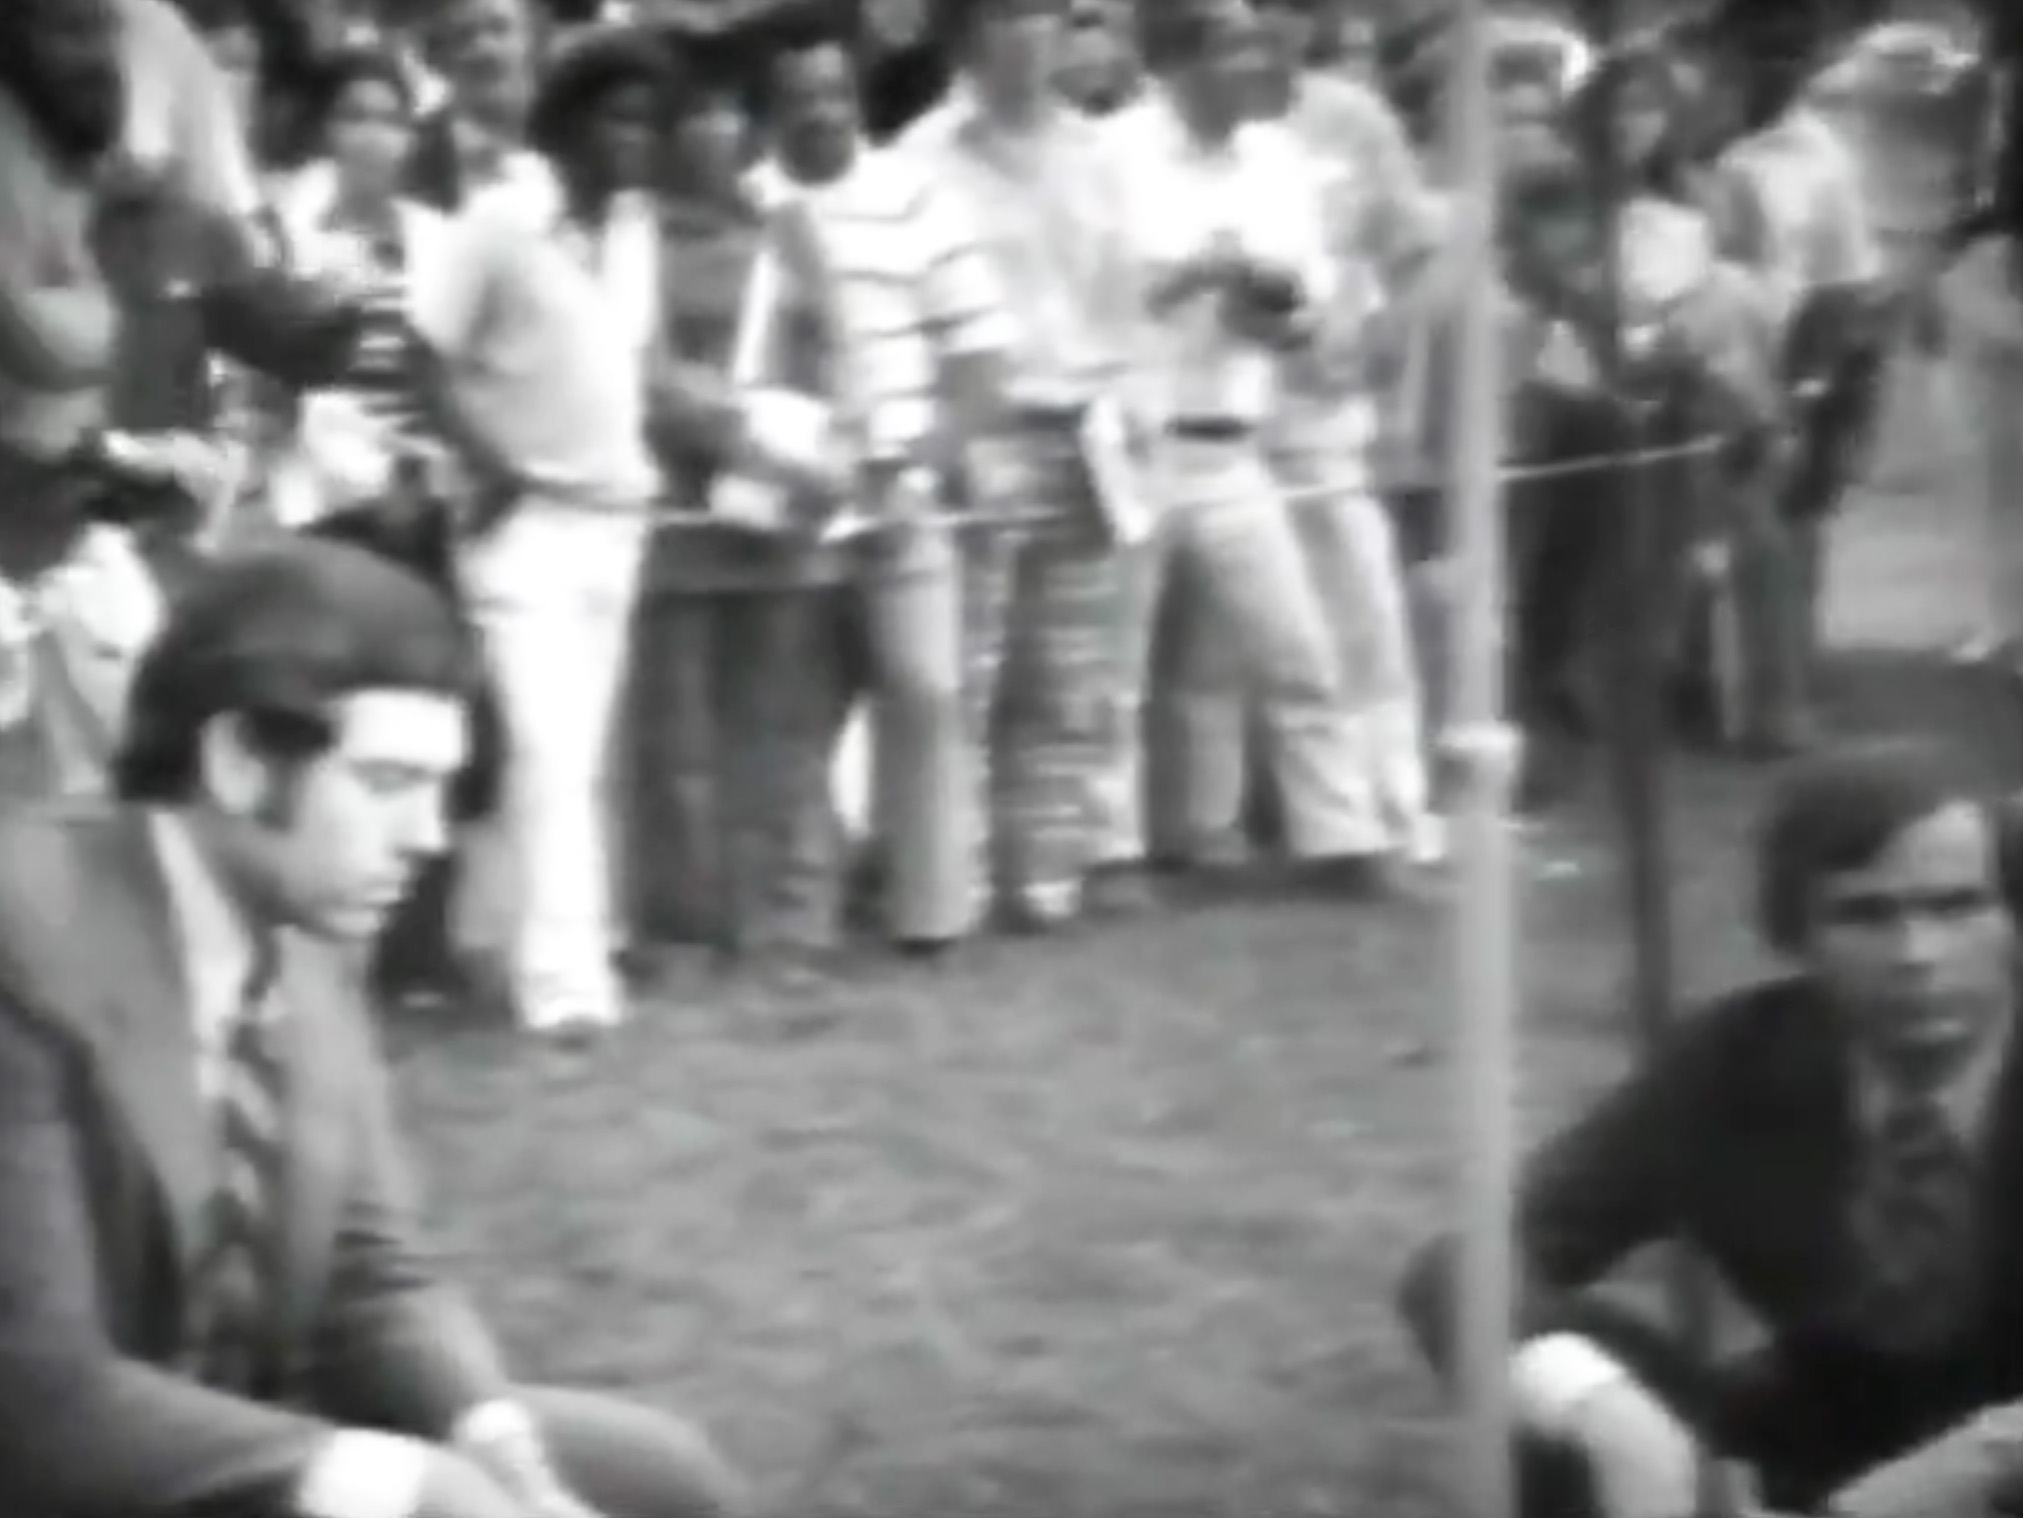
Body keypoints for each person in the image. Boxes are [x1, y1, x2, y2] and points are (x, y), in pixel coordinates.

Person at [0, 537, 742, 1518]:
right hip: (73, 1472)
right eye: (389, 783)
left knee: (656, 1478)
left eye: (439, 789)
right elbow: (38, 1398)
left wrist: (499, 1449)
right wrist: (422, 1488)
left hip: (239, 1429)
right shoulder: (24, 934)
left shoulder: (301, 925)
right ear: (236, 759)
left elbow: (371, 1274)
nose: (429, 838)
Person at [1397, 737, 2023, 1518]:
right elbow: (1464, 1263)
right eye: (1864, 915)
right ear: (1793, 936)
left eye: (1956, 907)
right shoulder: (1735, 1062)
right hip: (1820, 1433)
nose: (1917, 955)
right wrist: (1614, 1423)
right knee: (1555, 1384)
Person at [407, 26, 666, 1039]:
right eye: (616, 117)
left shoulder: (635, 228)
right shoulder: (499, 221)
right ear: (566, 125)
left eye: (648, 119)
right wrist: (494, 465)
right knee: (548, 753)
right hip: (525, 527)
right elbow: (423, 361)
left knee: (575, 754)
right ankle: (565, 990)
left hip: (617, 521)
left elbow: (628, 372)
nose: (635, 139)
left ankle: (553, 952)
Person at [1098, 0, 1389, 892]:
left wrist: (1266, 298)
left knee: (1297, 647)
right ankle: (1106, 854)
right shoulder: (1112, 155)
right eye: (1236, 47)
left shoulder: (1275, 163)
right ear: (1181, 62)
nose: (1259, 63)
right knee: (1112, 669)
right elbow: (1087, 294)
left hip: (1233, 437)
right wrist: (1191, 273)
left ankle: (1342, 841)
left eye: (1260, 44)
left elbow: (1299, 309)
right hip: (1129, 437)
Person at [748, 0, 1017, 954]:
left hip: (902, 490)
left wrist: (924, 464)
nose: (820, 111)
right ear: (768, 108)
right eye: (797, 97)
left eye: (833, 90)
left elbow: (983, 367)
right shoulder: (751, 211)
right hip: (786, 498)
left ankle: (931, 911)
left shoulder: (917, 197)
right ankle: (802, 917)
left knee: (926, 691)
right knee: (794, 715)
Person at [899, 0, 1146, 930]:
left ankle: (1043, 876)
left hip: (1081, 425)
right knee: (967, 668)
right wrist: (946, 435)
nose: (1029, 35)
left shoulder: (1098, 156)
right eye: (1005, 16)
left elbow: (1121, 301)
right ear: (964, 35)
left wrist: (1125, 408)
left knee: (1065, 671)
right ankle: (946, 878)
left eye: (1045, 14)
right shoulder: (922, 160)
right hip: (982, 429)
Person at [1248, 0, 1445, 871]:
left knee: (1359, 612)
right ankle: (1250, 819)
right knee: (1238, 645)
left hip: (1320, 408)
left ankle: (1389, 811)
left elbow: (1416, 250)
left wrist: (1388, 337)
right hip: (1205, 411)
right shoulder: (1160, 118)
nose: (1273, 25)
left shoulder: (1351, 119)